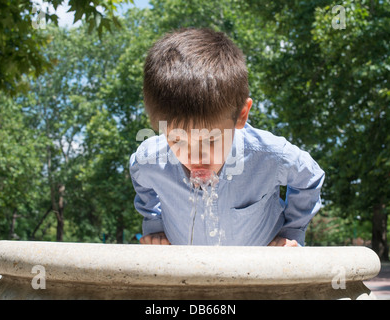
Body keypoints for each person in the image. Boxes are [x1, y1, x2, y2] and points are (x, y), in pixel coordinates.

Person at [129, 28, 325, 246]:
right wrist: (155, 225)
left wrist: (291, 232)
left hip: (259, 272)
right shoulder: (151, 160)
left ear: (241, 115)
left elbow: (310, 178)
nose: (196, 156)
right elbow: (141, 178)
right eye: (178, 140)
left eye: (210, 140)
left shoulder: (270, 156)